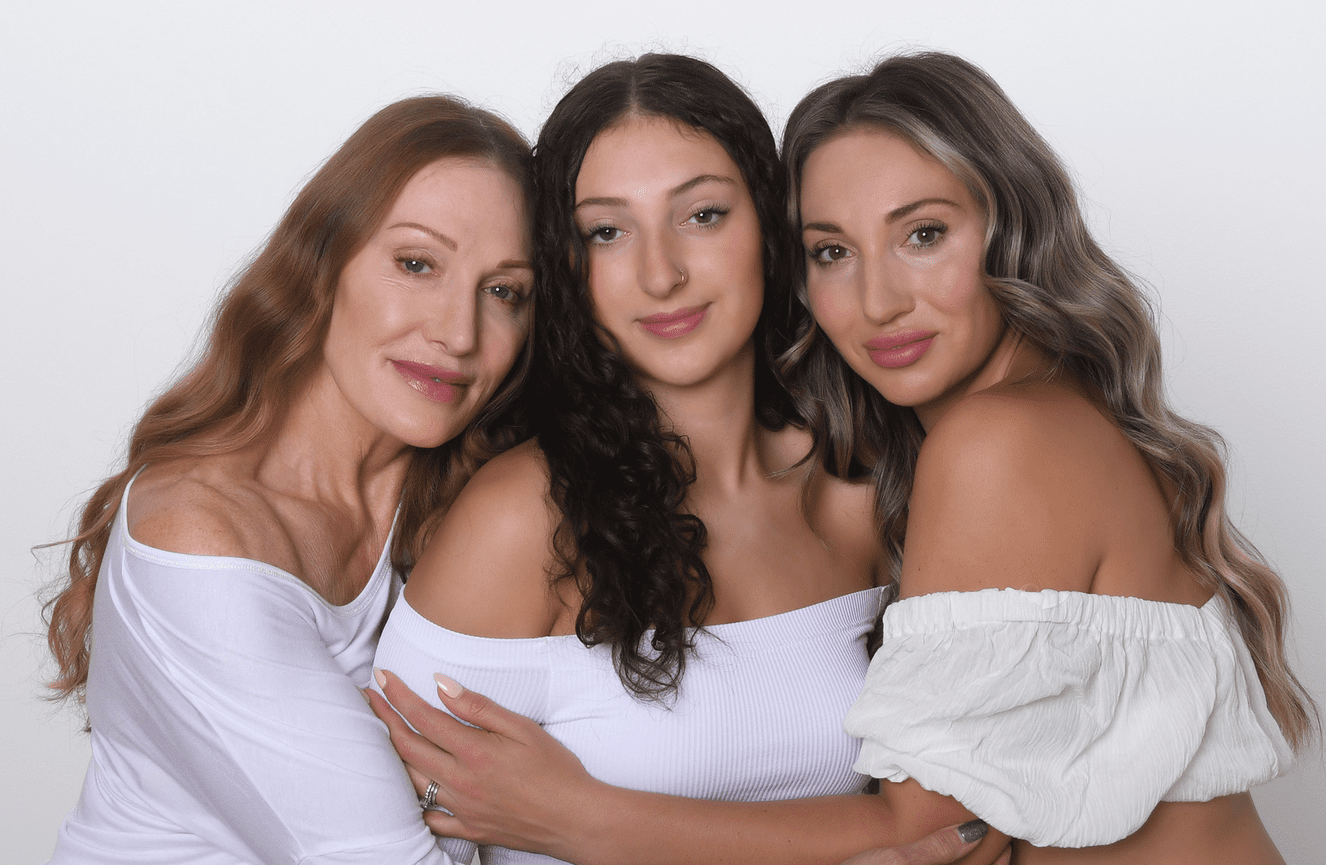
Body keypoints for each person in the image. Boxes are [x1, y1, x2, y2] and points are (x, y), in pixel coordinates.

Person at [370, 53, 1010, 865]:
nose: (661, 273)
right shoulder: (520, 520)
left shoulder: (868, 486)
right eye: (607, 231)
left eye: (702, 215)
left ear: (773, 228)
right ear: (570, 269)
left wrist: (586, 819)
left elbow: (967, 824)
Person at [780, 51, 1316, 862]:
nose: (878, 300)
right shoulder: (1062, 414)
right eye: (832, 252)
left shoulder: (998, 443)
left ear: (1012, 227)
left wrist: (579, 815)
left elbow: (936, 834)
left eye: (923, 234)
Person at [42, 94, 537, 864]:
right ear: (322, 263)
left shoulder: (456, 499)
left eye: (504, 291)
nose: (459, 332)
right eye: (416, 264)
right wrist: (570, 812)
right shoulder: (203, 541)